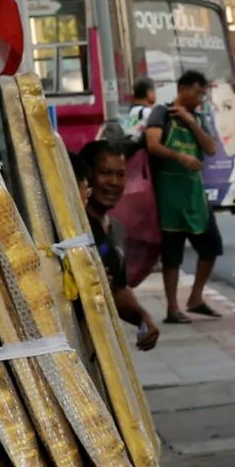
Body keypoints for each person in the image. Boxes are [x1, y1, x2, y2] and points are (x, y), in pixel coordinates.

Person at [145, 69, 223, 324]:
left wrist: (190, 121)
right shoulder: (161, 113)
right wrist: (180, 157)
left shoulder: (197, 117)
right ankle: (172, 308)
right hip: (169, 196)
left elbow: (210, 148)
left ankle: (196, 298)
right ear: (184, 89)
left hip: (195, 196)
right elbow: (152, 145)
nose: (201, 97)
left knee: (211, 246)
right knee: (172, 255)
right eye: (199, 91)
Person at [72, 139, 160, 351]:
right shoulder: (73, 230)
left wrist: (142, 317)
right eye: (105, 173)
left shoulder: (116, 229)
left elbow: (118, 289)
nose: (114, 182)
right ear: (88, 177)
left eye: (120, 174)